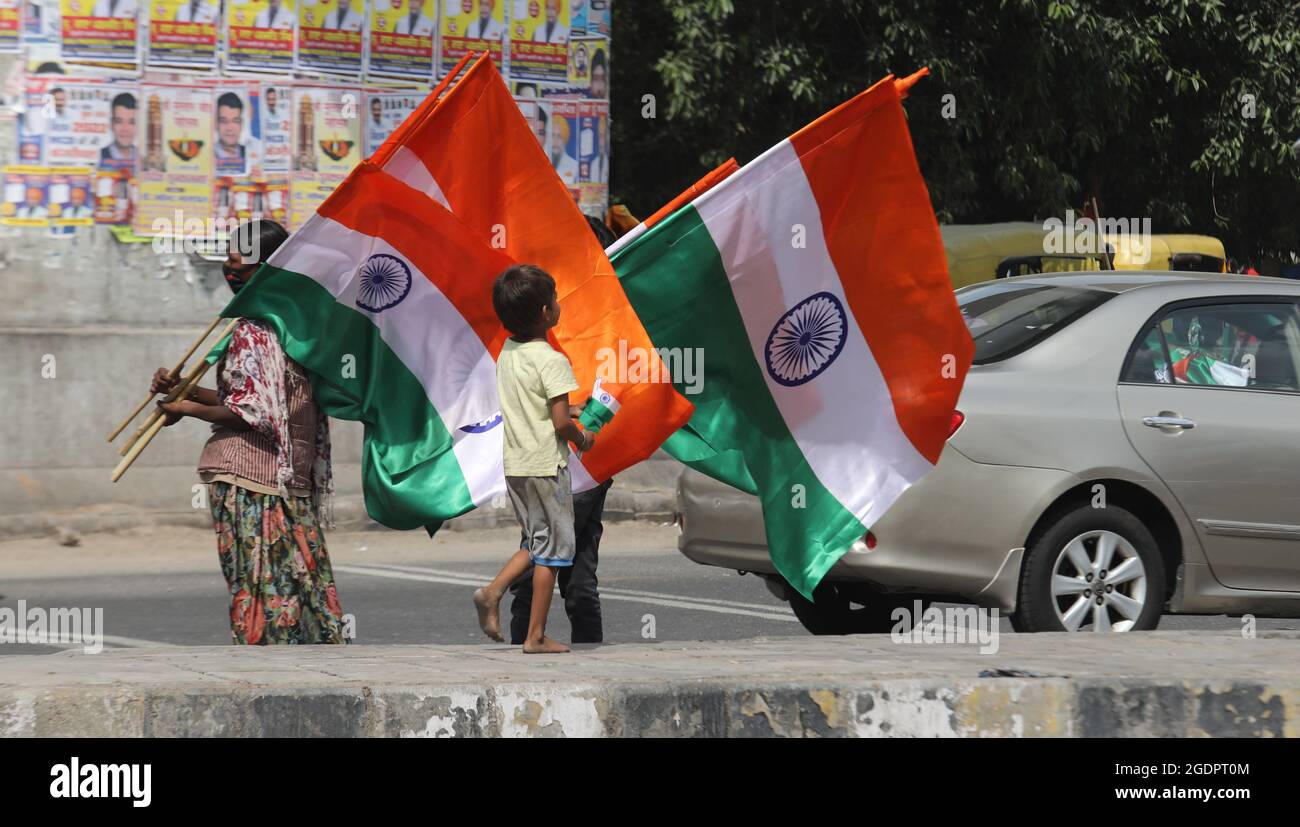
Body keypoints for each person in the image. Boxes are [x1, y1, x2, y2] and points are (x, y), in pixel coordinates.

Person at [150, 220, 349, 646]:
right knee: (270, 591)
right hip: (250, 477)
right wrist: (182, 392)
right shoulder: (267, 328)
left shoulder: (271, 329)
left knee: (298, 590)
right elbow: (248, 403)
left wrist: (187, 407)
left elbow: (253, 407)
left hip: (274, 479)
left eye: (238, 261)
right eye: (227, 259)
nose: (229, 268)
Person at [502, 218, 617, 646]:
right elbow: (560, 415)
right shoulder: (560, 333)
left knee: (558, 564)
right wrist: (583, 433)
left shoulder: (520, 342)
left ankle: (528, 639)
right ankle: (531, 637)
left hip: (555, 464)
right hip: (561, 461)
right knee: (562, 566)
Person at [473, 264, 596, 654]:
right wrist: (583, 435)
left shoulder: (508, 353)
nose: (558, 305)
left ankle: (492, 591)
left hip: (517, 464)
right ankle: (536, 636)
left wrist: (570, 409)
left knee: (536, 540)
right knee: (555, 551)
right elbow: (559, 423)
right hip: (546, 465)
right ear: (546, 312)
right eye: (555, 298)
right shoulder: (552, 360)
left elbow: (538, 404)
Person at [99, 92, 136, 168]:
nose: (125, 129)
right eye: (119, 121)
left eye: (131, 122)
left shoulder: (143, 158)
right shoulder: (99, 157)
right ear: (112, 124)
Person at [214, 92, 247, 173]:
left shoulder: (249, 153)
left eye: (235, 121)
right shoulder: (207, 155)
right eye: (224, 121)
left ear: (241, 124)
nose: (230, 128)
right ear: (216, 124)